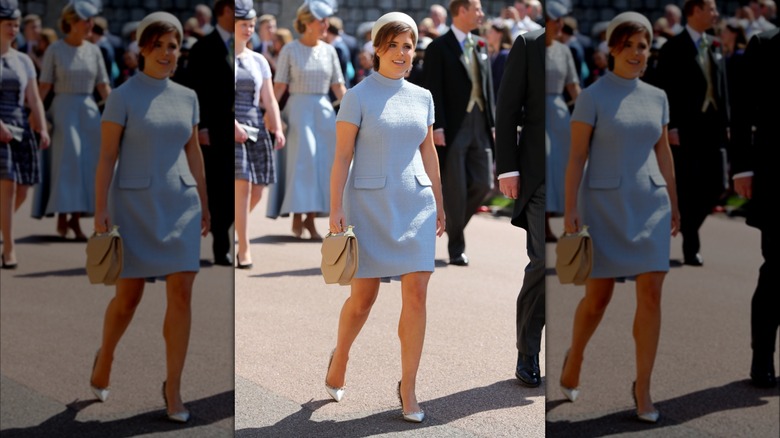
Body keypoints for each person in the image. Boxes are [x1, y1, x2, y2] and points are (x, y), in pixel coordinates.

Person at [558, 12, 680, 424]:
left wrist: (675, 203)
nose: (636, 53)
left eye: (642, 47)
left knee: (652, 295)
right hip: (604, 206)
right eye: (627, 45)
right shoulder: (592, 96)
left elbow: (663, 152)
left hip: (652, 204)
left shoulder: (658, 96)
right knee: (598, 299)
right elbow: (577, 157)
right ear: (612, 49)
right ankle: (574, 356)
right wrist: (571, 207)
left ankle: (643, 387)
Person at [90, 12, 209, 424]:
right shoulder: (122, 96)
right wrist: (100, 208)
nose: (166, 53)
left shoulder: (188, 96)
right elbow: (107, 157)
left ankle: (173, 387)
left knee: (181, 294)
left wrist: (206, 204)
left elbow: (193, 152)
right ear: (142, 49)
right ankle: (105, 356)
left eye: (172, 46)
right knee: (129, 299)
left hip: (182, 204)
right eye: (157, 45)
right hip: (134, 205)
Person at [326, 12, 445, 424]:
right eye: (392, 45)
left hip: (416, 203)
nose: (400, 53)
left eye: (408, 46)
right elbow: (342, 156)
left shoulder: (423, 96)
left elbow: (428, 152)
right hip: (368, 206)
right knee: (363, 301)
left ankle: (408, 386)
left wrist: (441, 203)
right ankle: (340, 355)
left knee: (416, 294)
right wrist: (336, 207)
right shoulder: (357, 95)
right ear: (377, 49)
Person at [654, 0, 728, 267]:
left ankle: (690, 226)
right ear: (695, 11)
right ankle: (690, 244)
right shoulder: (674, 47)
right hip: (685, 130)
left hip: (713, 128)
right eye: (711, 9)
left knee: (717, 184)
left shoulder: (716, 44)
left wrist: (727, 123)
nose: (716, 14)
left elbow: (722, 86)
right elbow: (664, 89)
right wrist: (669, 125)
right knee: (687, 187)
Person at [265, 0, 346, 240]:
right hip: (298, 111)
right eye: (321, 21)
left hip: (323, 112)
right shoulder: (290, 49)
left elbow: (339, 87)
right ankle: (302, 218)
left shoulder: (329, 50)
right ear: (308, 23)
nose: (326, 25)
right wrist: (270, 115)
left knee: (323, 167)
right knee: (304, 165)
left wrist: (357, 111)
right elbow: (279, 86)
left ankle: (308, 218)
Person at [423, 0, 495, 267]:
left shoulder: (481, 45)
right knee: (455, 190)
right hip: (452, 127)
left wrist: (494, 123)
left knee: (484, 184)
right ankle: (457, 248)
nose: (481, 14)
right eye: (477, 9)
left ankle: (452, 226)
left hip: (480, 124)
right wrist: (437, 125)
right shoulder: (438, 48)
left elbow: (487, 87)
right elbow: (433, 90)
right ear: (461, 11)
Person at [33, 0, 110, 240]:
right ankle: (65, 218)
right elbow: (44, 85)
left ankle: (74, 219)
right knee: (68, 165)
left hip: (89, 112)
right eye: (85, 20)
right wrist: (33, 115)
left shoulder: (94, 50)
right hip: (63, 109)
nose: (90, 25)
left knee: (88, 167)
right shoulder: (55, 49)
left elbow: (103, 86)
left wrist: (120, 113)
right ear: (71, 22)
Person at [495, 27, 545, 387]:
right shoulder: (529, 43)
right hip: (539, 173)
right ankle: (528, 351)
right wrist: (508, 168)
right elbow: (508, 108)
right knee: (546, 262)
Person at [731, 27, 779, 388]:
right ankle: (761, 356)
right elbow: (743, 107)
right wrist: (743, 167)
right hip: (775, 174)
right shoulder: (765, 43)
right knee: (777, 269)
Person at [234, 0, 285, 269]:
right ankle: (244, 247)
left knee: (258, 189)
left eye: (251, 25)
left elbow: (269, 99)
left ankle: (233, 226)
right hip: (232, 125)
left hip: (255, 123)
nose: (248, 29)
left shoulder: (258, 60)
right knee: (242, 186)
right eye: (243, 24)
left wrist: (276, 127)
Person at [183, 0, 234, 266]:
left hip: (240, 128)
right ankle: (219, 243)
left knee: (235, 187)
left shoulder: (245, 45)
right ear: (225, 10)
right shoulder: (204, 46)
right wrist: (199, 125)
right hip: (213, 129)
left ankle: (226, 235)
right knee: (216, 187)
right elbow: (194, 89)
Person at [1, 0, 50, 269]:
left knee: (23, 187)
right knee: (8, 184)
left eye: (16, 24)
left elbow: (34, 98)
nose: (14, 28)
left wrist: (41, 127)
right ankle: (9, 248)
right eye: (8, 24)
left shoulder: (22, 60)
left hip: (19, 124)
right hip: (0, 125)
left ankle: (3, 231)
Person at [545, 1, 580, 242]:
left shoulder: (564, 50)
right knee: (545, 165)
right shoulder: (531, 48)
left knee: (563, 167)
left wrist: (592, 114)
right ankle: (543, 222)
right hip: (538, 116)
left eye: (561, 20)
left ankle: (569, 217)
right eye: (555, 20)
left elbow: (574, 87)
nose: (560, 25)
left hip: (559, 116)